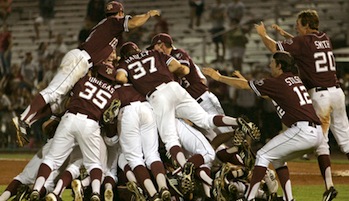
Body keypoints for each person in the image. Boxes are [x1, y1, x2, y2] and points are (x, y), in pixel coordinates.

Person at [116, 41, 260, 198]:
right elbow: (178, 67)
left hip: (157, 97)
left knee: (171, 140)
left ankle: (186, 169)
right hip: (175, 88)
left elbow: (121, 78)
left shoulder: (125, 62)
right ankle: (237, 122)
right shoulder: (155, 53)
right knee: (205, 120)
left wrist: (136, 80)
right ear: (137, 49)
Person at [12, 1, 160, 147]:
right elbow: (133, 23)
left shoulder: (107, 29)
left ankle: (35, 121)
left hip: (83, 61)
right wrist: (148, 14)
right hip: (81, 59)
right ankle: (23, 118)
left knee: (58, 104)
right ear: (120, 13)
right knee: (54, 92)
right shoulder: (113, 22)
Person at [202, 51, 329, 201]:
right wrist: (244, 81)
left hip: (303, 130)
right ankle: (289, 198)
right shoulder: (295, 79)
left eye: (272, 63)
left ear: (279, 66)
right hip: (317, 133)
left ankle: (249, 198)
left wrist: (219, 77)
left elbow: (244, 87)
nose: (270, 65)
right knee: (277, 159)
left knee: (262, 155)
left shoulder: (278, 81)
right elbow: (264, 93)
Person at [255, 9, 344, 200]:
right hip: (338, 93)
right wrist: (285, 35)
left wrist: (264, 35)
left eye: (298, 24)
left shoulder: (303, 42)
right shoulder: (324, 37)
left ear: (305, 24)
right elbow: (305, 45)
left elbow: (279, 49)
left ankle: (329, 186)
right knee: (346, 142)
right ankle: (328, 186)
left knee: (322, 143)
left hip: (320, 95)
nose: (296, 27)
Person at [29, 50, 121, 201]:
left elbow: (68, 98)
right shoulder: (114, 93)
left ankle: (37, 188)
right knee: (94, 164)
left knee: (51, 159)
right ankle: (96, 193)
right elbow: (109, 119)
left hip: (69, 118)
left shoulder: (83, 80)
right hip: (91, 124)